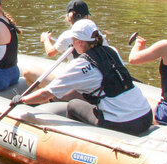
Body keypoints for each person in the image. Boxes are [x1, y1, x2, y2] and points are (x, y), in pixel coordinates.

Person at [16, 19, 153, 135]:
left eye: (73, 40)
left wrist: (22, 100)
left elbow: (46, 94)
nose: (72, 44)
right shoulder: (112, 51)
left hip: (122, 124)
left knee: (73, 105)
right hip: (146, 116)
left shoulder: (80, 64)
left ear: (80, 43)